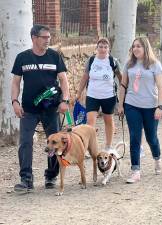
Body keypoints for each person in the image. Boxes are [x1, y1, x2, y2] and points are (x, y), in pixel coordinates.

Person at [11, 24, 69, 192]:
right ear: (34, 38)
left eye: (49, 37)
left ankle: (51, 175)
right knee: (25, 142)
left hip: (51, 109)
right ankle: (26, 179)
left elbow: (64, 80)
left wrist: (65, 100)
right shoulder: (22, 58)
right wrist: (15, 102)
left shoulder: (55, 56)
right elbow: (15, 82)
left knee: (55, 143)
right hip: (28, 109)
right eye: (44, 37)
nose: (47, 40)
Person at [117, 37, 162, 183]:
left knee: (152, 138)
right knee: (134, 137)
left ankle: (157, 158)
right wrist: (121, 104)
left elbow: (161, 87)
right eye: (134, 46)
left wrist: (160, 106)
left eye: (139, 46)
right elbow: (123, 85)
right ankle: (135, 170)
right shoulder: (128, 64)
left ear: (145, 47)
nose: (135, 49)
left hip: (151, 107)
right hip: (132, 105)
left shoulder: (154, 65)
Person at [76, 38, 122, 151]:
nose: (103, 49)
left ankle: (108, 146)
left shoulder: (113, 61)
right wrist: (79, 93)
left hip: (109, 96)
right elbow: (85, 77)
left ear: (109, 49)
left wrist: (125, 93)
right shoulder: (91, 60)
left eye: (105, 47)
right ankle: (89, 148)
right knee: (90, 121)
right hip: (92, 95)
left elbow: (121, 77)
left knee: (108, 120)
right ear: (97, 48)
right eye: (100, 46)